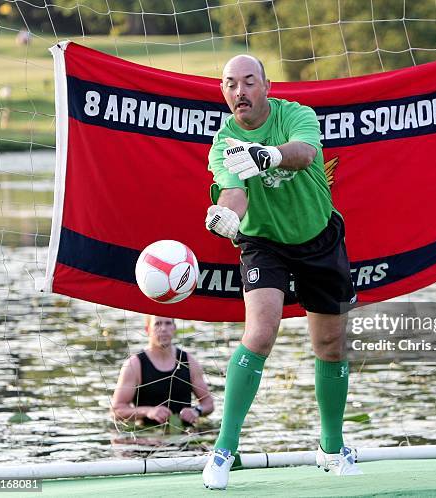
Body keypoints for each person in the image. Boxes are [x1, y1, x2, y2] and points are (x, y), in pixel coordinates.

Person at [202, 54, 361, 489]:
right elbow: (234, 192)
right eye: (231, 84)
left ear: (266, 86)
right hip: (264, 243)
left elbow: (305, 153)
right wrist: (225, 216)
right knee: (261, 332)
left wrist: (267, 154)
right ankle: (224, 450)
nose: (240, 92)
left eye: (249, 82)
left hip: (318, 237)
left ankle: (331, 448)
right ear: (223, 92)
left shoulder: (296, 114)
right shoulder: (222, 144)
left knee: (330, 344)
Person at [111, 315, 214, 427]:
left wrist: (196, 411)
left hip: (185, 435)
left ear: (174, 328)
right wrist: (148, 411)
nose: (163, 329)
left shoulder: (188, 361)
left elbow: (208, 403)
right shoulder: (134, 364)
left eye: (168, 323)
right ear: (147, 330)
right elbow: (116, 411)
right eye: (157, 324)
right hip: (147, 436)